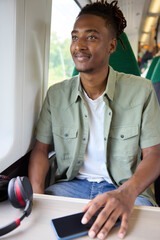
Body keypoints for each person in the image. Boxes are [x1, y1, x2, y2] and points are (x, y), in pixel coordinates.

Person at [28, 1, 160, 239]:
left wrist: (126, 194)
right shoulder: (56, 94)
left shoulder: (142, 91)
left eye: (91, 37)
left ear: (111, 45)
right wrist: (38, 197)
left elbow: (154, 155)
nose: (78, 45)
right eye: (74, 37)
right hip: (69, 187)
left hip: (126, 187)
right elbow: (40, 150)